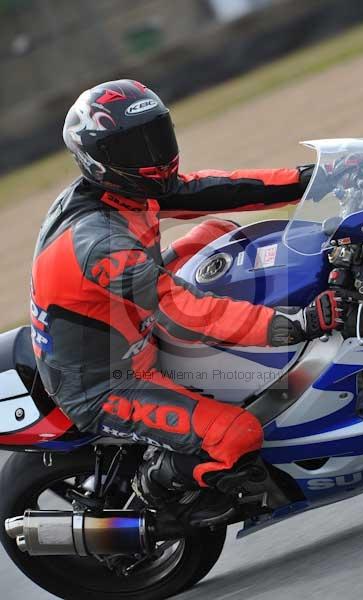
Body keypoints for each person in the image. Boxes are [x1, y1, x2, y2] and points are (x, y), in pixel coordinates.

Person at [30, 79, 341, 515]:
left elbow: (219, 187)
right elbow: (181, 312)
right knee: (238, 435)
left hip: (132, 314)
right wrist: (293, 323)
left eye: (156, 137)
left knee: (220, 232)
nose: (153, 156)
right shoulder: (99, 244)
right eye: (132, 148)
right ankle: (156, 484)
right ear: (97, 159)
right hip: (108, 382)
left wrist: (313, 179)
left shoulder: (123, 191)